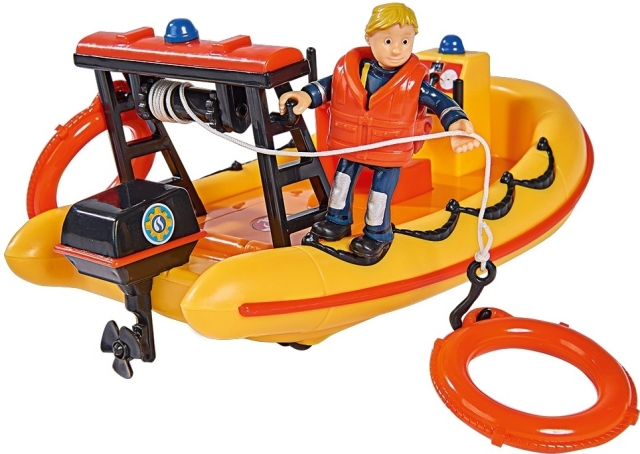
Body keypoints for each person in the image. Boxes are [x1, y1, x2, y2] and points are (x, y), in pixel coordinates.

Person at [279, 3, 479, 260]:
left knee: (379, 195)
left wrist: (456, 122)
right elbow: (328, 87)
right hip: (354, 144)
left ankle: (377, 234)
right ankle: (337, 220)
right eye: (388, 41)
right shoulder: (352, 71)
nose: (396, 49)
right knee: (341, 182)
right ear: (369, 38)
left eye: (405, 41)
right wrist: (306, 96)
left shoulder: (414, 81)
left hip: (389, 149)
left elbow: (440, 101)